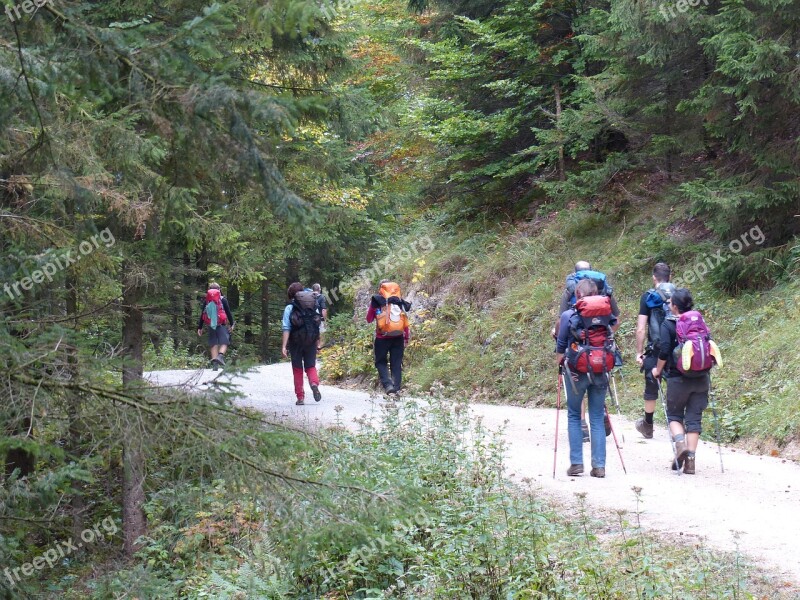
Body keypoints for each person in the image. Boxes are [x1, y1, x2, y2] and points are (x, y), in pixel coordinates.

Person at [552, 261, 620, 442]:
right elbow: (616, 319)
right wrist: (606, 334)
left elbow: (562, 319)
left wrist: (558, 334)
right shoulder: (604, 289)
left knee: (577, 379)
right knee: (597, 371)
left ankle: (582, 425)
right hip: (601, 348)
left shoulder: (570, 290)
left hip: (577, 347)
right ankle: (601, 412)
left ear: (575, 273)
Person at [555, 279, 616, 478]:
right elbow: (613, 329)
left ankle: (576, 463)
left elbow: (561, 346)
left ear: (578, 295)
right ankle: (599, 466)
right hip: (601, 367)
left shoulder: (568, 315)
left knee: (574, 415)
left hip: (576, 371)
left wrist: (560, 363)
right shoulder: (607, 315)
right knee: (597, 416)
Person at [651, 288, 710, 474]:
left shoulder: (668, 324)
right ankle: (690, 461)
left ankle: (680, 445)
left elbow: (664, 350)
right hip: (701, 377)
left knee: (675, 416)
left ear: (675, 306)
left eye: (670, 303)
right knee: (694, 419)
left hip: (678, 378)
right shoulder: (699, 322)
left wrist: (657, 370)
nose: (668, 305)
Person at [635, 262, 676, 438]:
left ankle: (648, 425)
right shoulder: (679, 294)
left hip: (656, 348)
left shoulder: (648, 297)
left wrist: (639, 352)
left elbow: (641, 328)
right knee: (675, 383)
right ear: (670, 277)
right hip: (678, 348)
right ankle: (677, 425)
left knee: (651, 385)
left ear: (654, 278)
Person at [366, 280, 410, 395]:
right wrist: (406, 338)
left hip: (382, 338)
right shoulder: (398, 301)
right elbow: (405, 321)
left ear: (381, 289)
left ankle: (388, 385)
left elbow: (369, 319)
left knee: (380, 362)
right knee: (396, 362)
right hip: (398, 337)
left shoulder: (377, 301)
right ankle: (396, 388)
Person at [281, 282, 322, 406]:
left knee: (297, 368)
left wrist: (284, 346)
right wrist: (318, 342)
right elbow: (317, 323)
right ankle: (314, 383)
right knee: (311, 366)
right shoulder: (313, 304)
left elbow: (286, 327)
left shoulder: (290, 308)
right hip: (311, 340)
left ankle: (300, 397)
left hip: (296, 341)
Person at [197, 282, 235, 370]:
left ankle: (215, 364)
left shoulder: (207, 301)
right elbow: (228, 313)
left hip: (211, 324)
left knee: (213, 343)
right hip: (221, 324)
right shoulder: (223, 300)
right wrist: (232, 324)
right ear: (219, 289)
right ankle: (220, 356)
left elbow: (203, 315)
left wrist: (200, 327)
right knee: (225, 342)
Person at [312, 283, 328, 350]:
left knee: (314, 333)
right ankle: (320, 348)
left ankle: (314, 348)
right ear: (319, 289)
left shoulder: (310, 296)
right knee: (322, 333)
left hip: (311, 318)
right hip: (320, 318)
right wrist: (325, 320)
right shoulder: (321, 297)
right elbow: (323, 309)